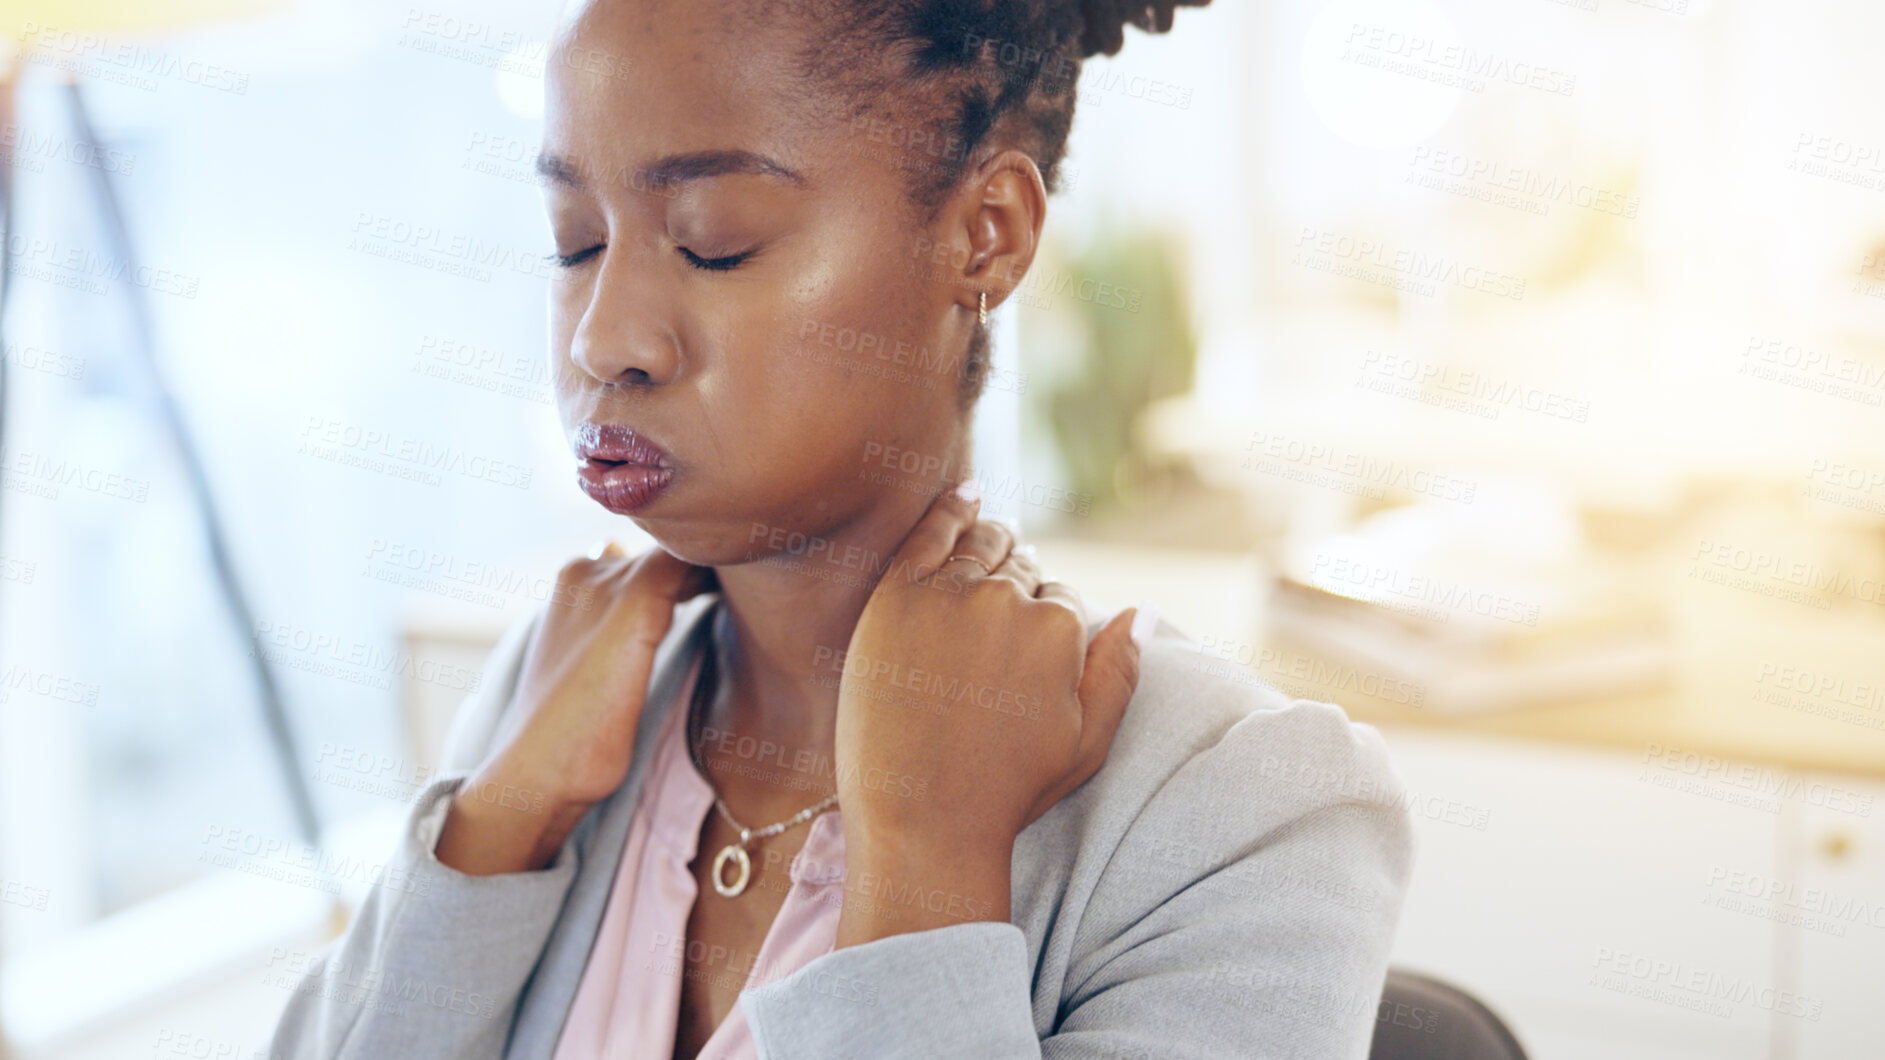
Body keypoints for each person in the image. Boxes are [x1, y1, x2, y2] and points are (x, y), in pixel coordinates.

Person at [266, 1, 1414, 1056]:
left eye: (714, 240)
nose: (602, 336)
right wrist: (496, 822)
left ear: (987, 233)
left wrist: (923, 867)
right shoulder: (553, 686)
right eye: (576, 241)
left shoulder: (1243, 809)